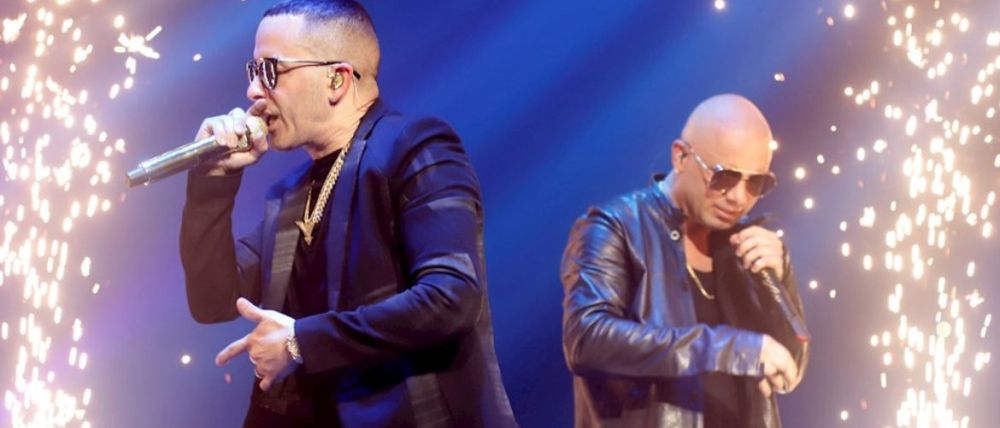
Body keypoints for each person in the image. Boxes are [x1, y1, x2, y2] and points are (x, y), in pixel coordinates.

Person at [178, 1, 516, 426]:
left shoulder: (414, 148)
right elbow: (214, 302)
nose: (253, 92)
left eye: (270, 71)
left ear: (336, 79)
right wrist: (212, 182)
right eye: (253, 71)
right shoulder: (292, 195)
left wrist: (301, 342)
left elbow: (449, 298)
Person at [560, 94, 809, 428]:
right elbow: (587, 340)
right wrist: (728, 348)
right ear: (680, 156)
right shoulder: (616, 227)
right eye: (724, 176)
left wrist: (782, 280)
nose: (738, 197)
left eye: (756, 183)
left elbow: (790, 366)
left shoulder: (749, 244)